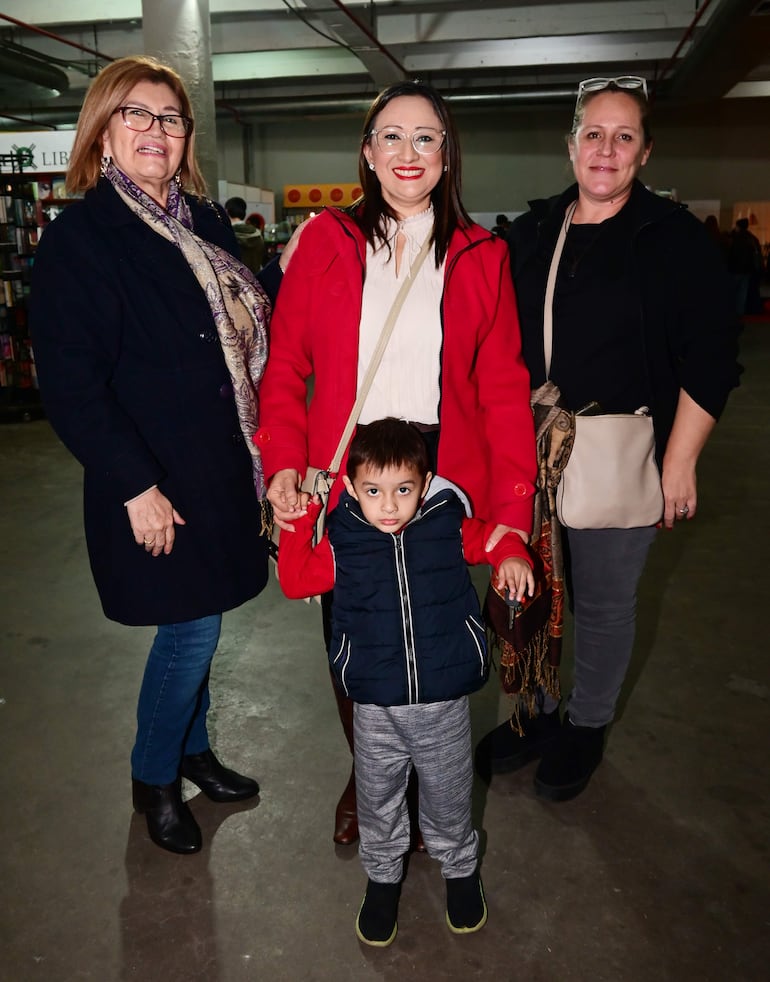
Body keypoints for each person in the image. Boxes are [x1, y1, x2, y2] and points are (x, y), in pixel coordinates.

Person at [254, 80, 537, 847]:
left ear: (447, 157)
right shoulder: (323, 242)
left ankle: (428, 775)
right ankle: (370, 772)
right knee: (356, 630)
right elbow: (284, 368)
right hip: (348, 470)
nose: (407, 152)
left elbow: (507, 389)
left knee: (433, 633)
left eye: (425, 138)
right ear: (367, 151)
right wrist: (283, 460)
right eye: (391, 136)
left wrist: (511, 517)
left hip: (440, 477)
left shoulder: (484, 254)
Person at [28, 56, 281, 855]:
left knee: (204, 616)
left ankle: (194, 750)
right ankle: (154, 778)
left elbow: (231, 323)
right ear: (102, 133)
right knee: (191, 632)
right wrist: (135, 486)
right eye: (135, 115)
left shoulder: (203, 222)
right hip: (151, 477)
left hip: (217, 467)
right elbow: (71, 385)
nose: (155, 131)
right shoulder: (81, 239)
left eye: (170, 118)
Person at [476, 75, 740, 801]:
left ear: (644, 153)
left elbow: (714, 356)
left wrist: (680, 460)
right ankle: (536, 710)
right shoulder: (532, 233)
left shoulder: (674, 240)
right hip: (530, 452)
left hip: (623, 453)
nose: (606, 148)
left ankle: (585, 723)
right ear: (571, 146)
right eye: (593, 133)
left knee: (601, 601)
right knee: (527, 592)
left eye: (624, 136)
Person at [277, 418, 534, 945]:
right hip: (375, 708)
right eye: (373, 491)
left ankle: (460, 870)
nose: (389, 505)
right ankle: (381, 879)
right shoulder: (344, 540)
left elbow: (493, 539)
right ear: (350, 488)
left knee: (448, 797)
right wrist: (301, 524)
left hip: (442, 704)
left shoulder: (445, 524)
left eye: (403, 490)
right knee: (378, 799)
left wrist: (511, 556)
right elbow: (296, 580)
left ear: (426, 483)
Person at [225, 195, 265, 274]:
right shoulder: (257, 234)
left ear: (227, 211)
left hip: (236, 283)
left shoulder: (226, 234)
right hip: (256, 281)